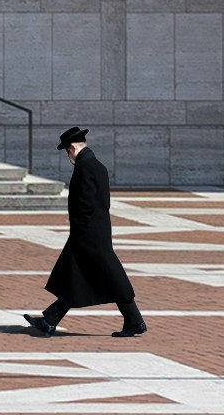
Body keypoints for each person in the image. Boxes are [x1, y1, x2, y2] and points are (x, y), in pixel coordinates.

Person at [17, 129, 145, 337]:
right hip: (96, 230)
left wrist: (78, 227)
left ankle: (134, 320)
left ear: (73, 148)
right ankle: (50, 320)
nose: (69, 156)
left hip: (87, 233)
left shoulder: (84, 168)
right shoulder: (98, 166)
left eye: (68, 152)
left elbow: (84, 203)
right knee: (76, 275)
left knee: (106, 275)